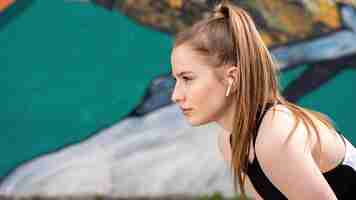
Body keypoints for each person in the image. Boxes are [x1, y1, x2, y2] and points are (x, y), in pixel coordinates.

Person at [169, 0, 356, 199]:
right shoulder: (229, 142)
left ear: (232, 77)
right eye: (176, 80)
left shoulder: (276, 132)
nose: (175, 95)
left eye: (187, 78)